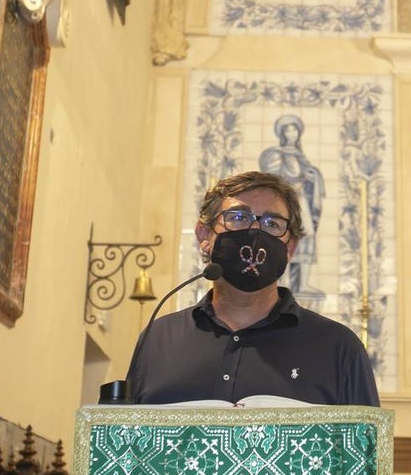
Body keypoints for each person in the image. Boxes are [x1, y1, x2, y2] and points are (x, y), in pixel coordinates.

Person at [129, 170, 379, 406]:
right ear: (204, 236)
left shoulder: (338, 347)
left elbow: (366, 449)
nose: (256, 231)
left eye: (272, 223)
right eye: (238, 218)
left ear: (290, 247)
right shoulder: (157, 339)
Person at [259, 114, 325, 302]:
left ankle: (303, 283)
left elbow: (307, 177)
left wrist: (313, 178)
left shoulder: (300, 156)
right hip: (284, 202)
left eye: (294, 129)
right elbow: (270, 178)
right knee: (281, 237)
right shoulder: (276, 154)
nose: (291, 133)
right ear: (282, 133)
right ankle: (283, 280)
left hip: (301, 200)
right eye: (287, 129)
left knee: (307, 236)